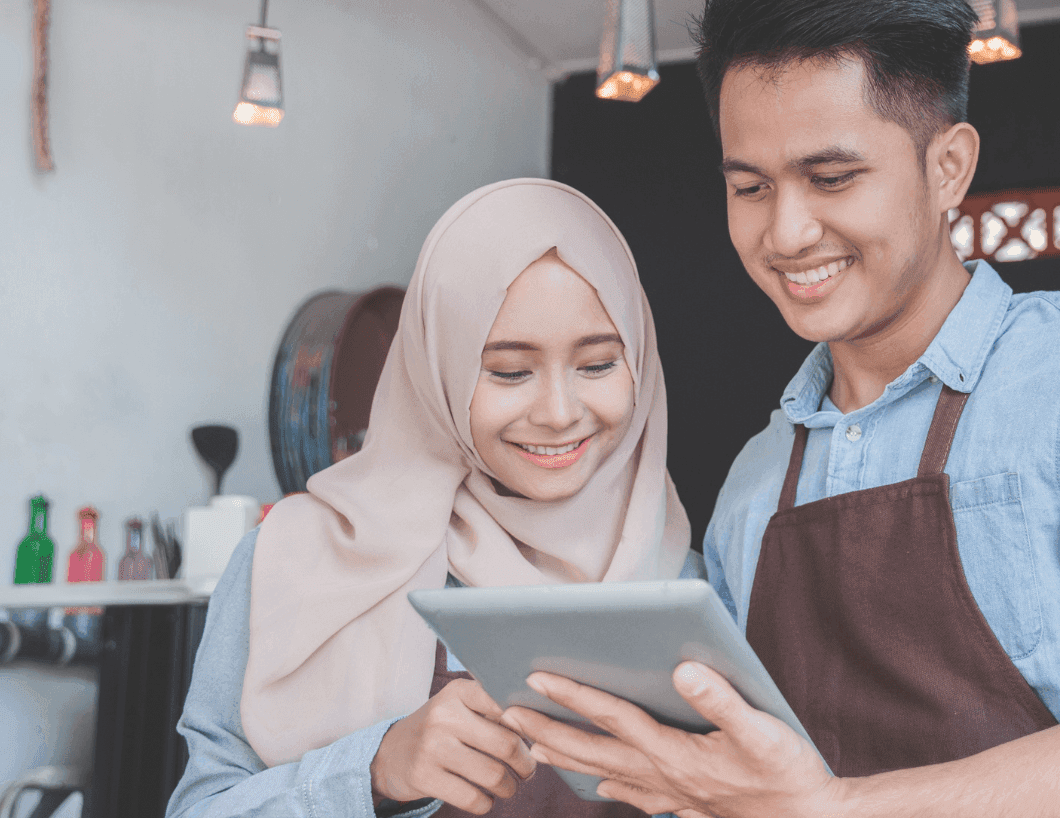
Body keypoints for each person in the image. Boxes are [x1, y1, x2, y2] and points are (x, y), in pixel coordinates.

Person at [500, 0, 1060, 817]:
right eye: (750, 187)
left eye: (832, 177)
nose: (786, 232)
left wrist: (834, 810)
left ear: (948, 167)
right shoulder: (756, 482)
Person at [166, 179, 695, 818]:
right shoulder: (291, 555)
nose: (559, 413)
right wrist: (376, 769)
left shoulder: (685, 577)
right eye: (509, 371)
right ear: (437, 368)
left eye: (598, 365)